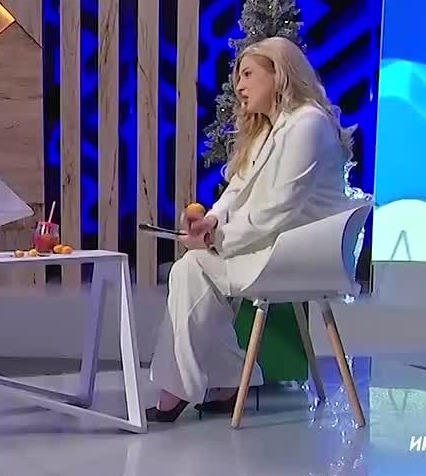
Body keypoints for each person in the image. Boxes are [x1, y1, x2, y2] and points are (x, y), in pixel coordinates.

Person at [148, 36, 359, 423]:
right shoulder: (271, 129)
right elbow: (238, 188)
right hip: (278, 244)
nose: (239, 86)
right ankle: (218, 382)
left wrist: (218, 240)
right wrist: (211, 220)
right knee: (190, 268)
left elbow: (280, 206)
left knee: (191, 268)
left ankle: (190, 386)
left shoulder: (308, 123)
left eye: (247, 75)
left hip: (305, 252)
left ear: (278, 74)